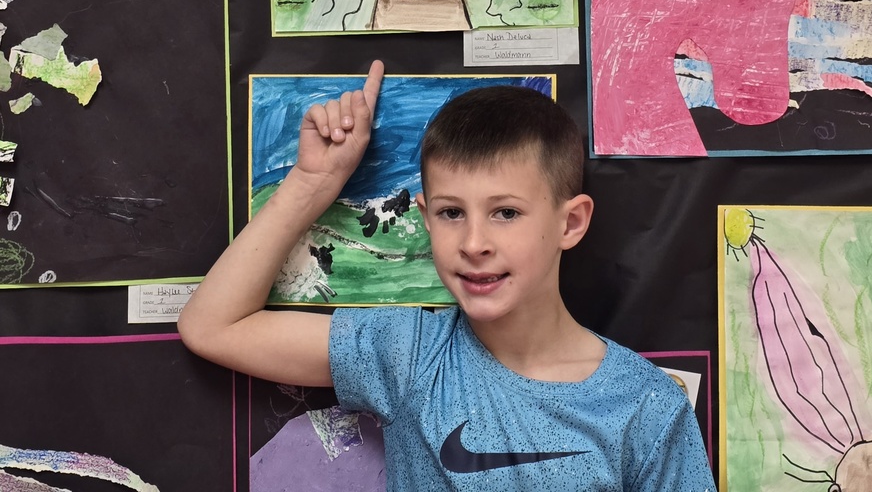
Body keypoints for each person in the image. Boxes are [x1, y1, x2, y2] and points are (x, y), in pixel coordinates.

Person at [179, 61, 716, 491]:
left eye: (506, 212)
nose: (474, 243)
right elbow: (213, 326)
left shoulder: (644, 406)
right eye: (452, 212)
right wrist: (311, 182)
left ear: (570, 222)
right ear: (425, 217)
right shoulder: (409, 354)